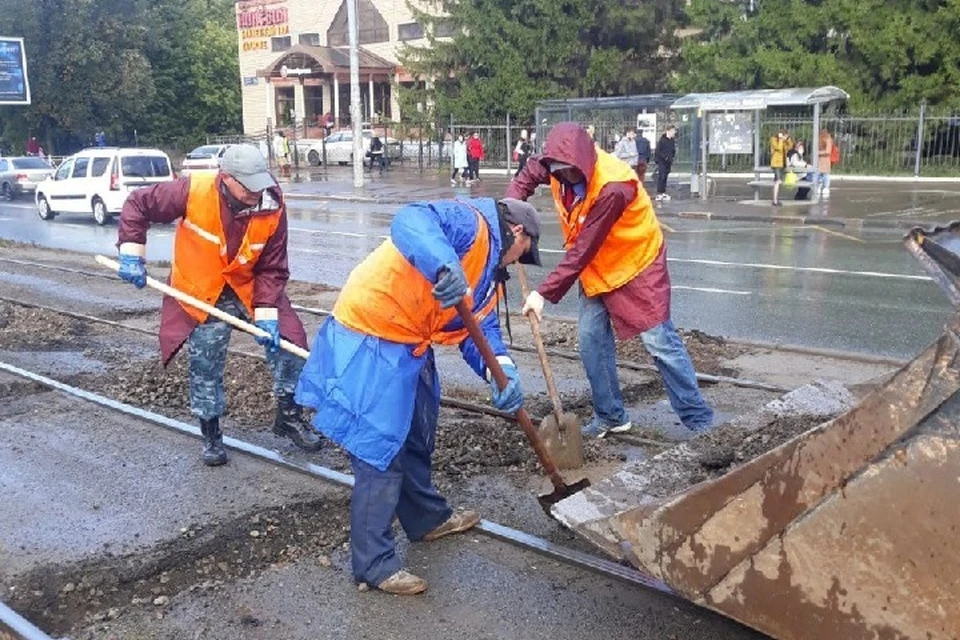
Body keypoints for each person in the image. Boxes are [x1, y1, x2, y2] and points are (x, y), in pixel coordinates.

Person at [295, 197, 542, 595]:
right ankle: (374, 565)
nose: (516, 263)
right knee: (379, 449)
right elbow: (411, 219)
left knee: (415, 433)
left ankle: (426, 518)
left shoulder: (487, 274)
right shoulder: (471, 223)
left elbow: (482, 330)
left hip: (410, 340)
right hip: (374, 331)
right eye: (522, 254)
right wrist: (444, 264)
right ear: (517, 232)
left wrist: (503, 372)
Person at [114, 144, 322, 466]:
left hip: (247, 284)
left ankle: (289, 415)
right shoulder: (191, 190)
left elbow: (272, 266)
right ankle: (210, 431)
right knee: (206, 361)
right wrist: (131, 252)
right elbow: (138, 204)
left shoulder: (273, 205)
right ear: (226, 179)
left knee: (291, 342)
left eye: (260, 182)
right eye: (248, 184)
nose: (257, 191)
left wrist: (266, 313)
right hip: (202, 287)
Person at [506, 122, 714, 438]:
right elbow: (525, 179)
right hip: (596, 269)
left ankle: (701, 422)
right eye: (558, 172)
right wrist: (510, 216)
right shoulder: (554, 165)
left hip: (635, 263)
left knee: (660, 343)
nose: (564, 178)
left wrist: (543, 294)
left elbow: (585, 247)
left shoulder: (614, 186)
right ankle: (611, 415)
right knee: (591, 342)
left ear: (585, 163)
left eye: (571, 172)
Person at [654, 125, 677, 201]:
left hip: (669, 161)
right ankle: (659, 192)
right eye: (673, 131)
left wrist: (672, 157)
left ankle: (663, 192)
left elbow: (673, 150)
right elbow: (658, 151)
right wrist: (665, 157)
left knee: (665, 176)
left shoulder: (672, 140)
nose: (674, 132)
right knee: (662, 176)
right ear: (669, 131)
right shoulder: (662, 140)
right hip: (662, 161)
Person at [769, 129, 791, 207]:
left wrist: (787, 140)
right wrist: (781, 139)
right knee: (778, 181)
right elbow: (778, 148)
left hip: (782, 163)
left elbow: (789, 147)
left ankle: (775, 199)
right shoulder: (773, 139)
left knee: (777, 182)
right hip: (776, 163)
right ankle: (774, 201)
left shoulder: (784, 141)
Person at [818, 129, 835, 200]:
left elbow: (828, 151)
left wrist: (818, 152)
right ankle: (819, 186)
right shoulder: (819, 139)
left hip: (825, 159)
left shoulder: (828, 139)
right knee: (819, 174)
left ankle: (825, 187)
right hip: (819, 159)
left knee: (825, 174)